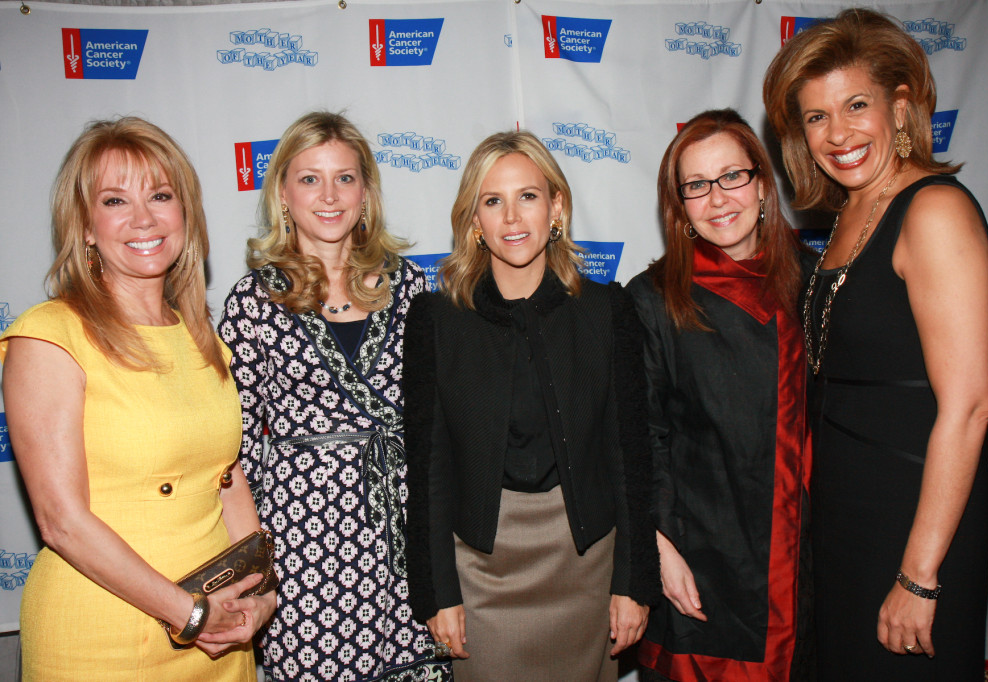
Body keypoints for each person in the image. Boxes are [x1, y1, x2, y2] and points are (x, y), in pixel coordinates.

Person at [763, 8, 988, 680]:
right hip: (845, 514)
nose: (837, 134)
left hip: (913, 519)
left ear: (899, 108)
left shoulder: (934, 210)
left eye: (856, 105)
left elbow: (968, 406)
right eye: (816, 116)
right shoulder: (853, 210)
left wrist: (919, 575)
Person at [0, 117, 274, 680]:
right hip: (104, 636)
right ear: (85, 226)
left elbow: (228, 478)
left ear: (185, 212)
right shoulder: (49, 335)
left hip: (221, 635)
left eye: (160, 195)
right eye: (115, 200)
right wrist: (190, 614)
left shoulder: (201, 338)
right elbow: (60, 521)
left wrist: (262, 591)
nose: (143, 218)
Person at [403, 130, 660, 681]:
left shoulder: (606, 310)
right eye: (493, 201)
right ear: (474, 220)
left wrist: (634, 582)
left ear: (556, 207)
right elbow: (428, 473)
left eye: (528, 196)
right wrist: (437, 592)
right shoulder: (437, 321)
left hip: (587, 563)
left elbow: (629, 459)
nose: (512, 217)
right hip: (480, 568)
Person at [217, 111, 448, 682]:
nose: (329, 195)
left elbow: (437, 424)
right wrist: (256, 568)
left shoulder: (407, 286)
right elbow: (233, 451)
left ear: (365, 193)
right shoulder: (253, 301)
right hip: (304, 547)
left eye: (345, 178)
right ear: (283, 194)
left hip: (406, 534)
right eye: (310, 179)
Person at [626, 109, 813, 681]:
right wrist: (659, 550)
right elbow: (640, 439)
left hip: (811, 559)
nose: (718, 198)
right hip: (701, 565)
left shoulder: (812, 280)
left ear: (762, 185)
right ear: (679, 206)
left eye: (732, 176)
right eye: (697, 186)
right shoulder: (653, 298)